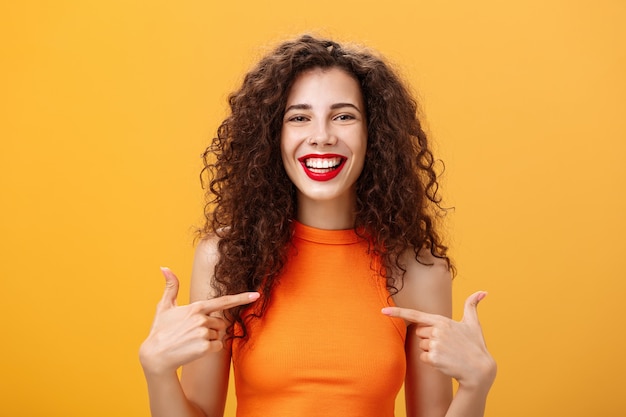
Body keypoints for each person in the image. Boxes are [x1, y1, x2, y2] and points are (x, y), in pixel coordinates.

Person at [139, 34, 496, 417]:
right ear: (272, 136)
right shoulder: (228, 257)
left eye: (343, 116)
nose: (322, 136)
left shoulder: (419, 272)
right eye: (299, 117)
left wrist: (476, 385)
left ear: (373, 134)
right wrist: (158, 371)